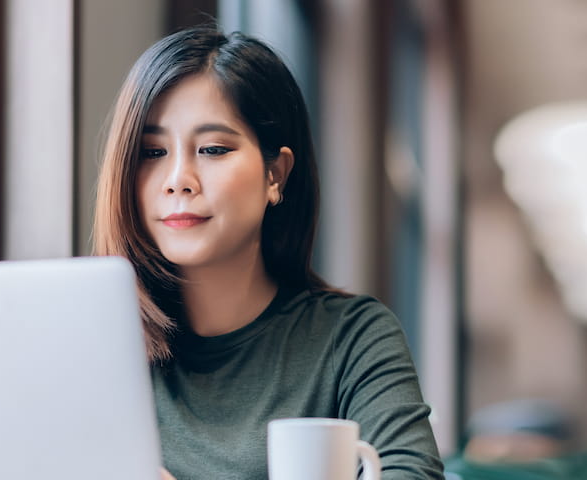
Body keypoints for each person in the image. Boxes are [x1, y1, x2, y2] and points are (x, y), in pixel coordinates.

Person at [91, 27, 442, 479]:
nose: (178, 179)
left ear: (275, 174)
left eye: (213, 149)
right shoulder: (95, 349)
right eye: (152, 152)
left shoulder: (352, 338)